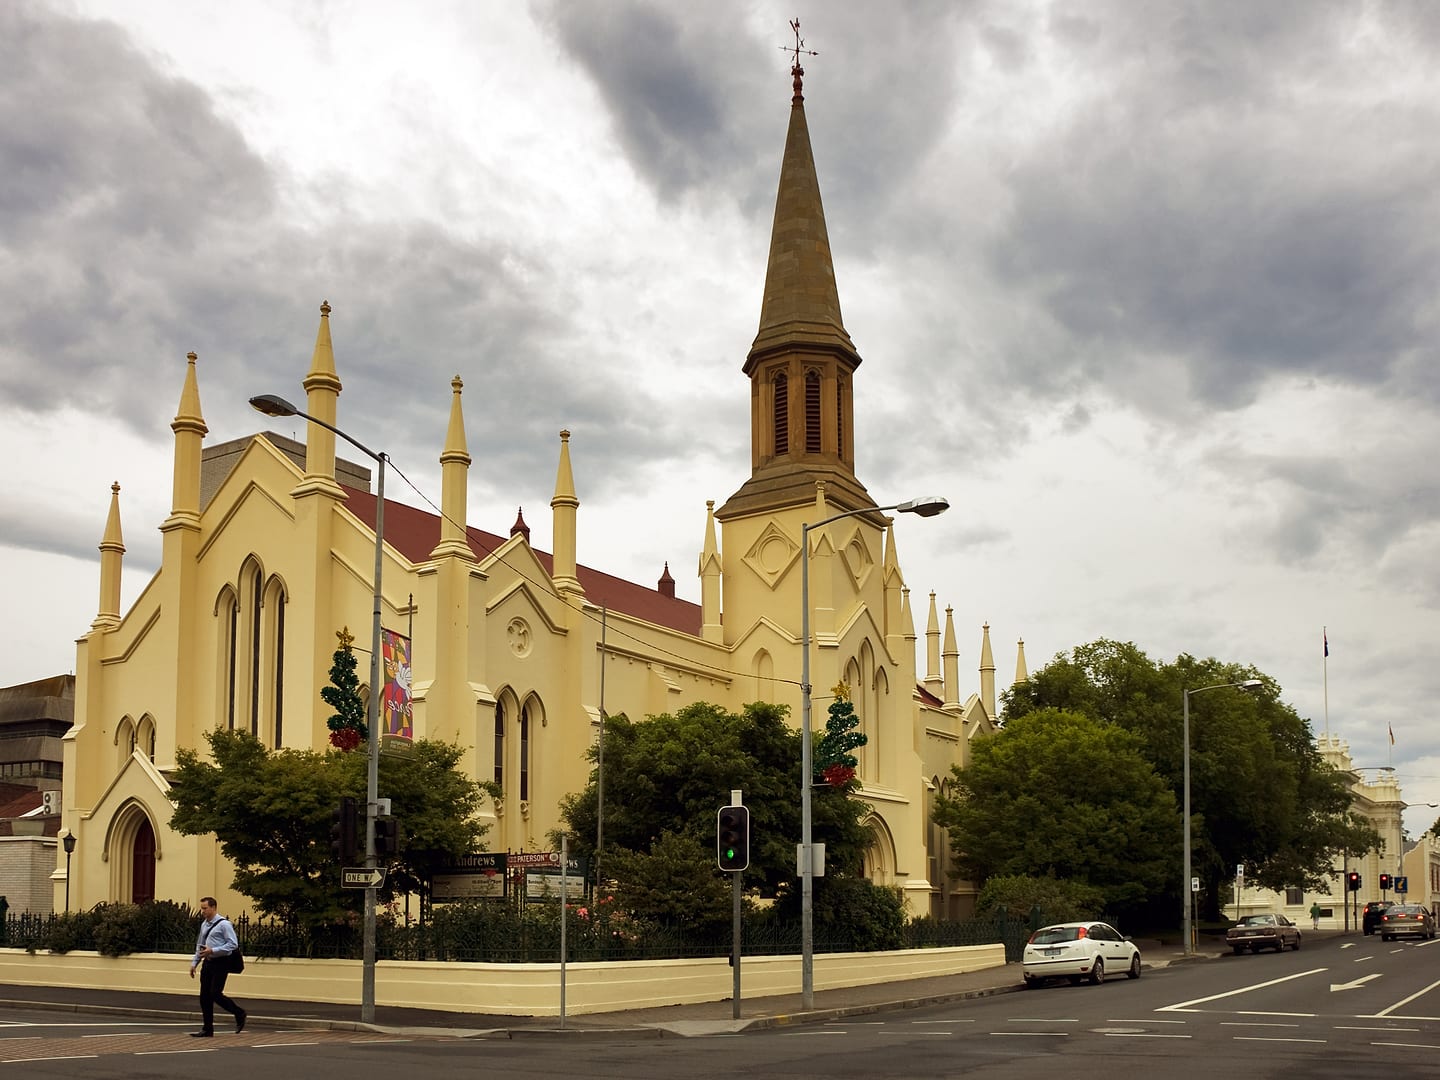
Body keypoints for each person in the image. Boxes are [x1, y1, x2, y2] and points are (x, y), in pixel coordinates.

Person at [189, 896, 246, 1037]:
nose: (202, 911)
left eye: (205, 908)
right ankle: (207, 1029)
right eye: (201, 908)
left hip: (221, 962)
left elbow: (232, 944)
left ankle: (239, 1013)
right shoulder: (204, 924)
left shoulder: (224, 925)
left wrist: (213, 950)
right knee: (204, 997)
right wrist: (194, 963)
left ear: (213, 908)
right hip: (208, 963)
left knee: (215, 993)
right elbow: (200, 945)